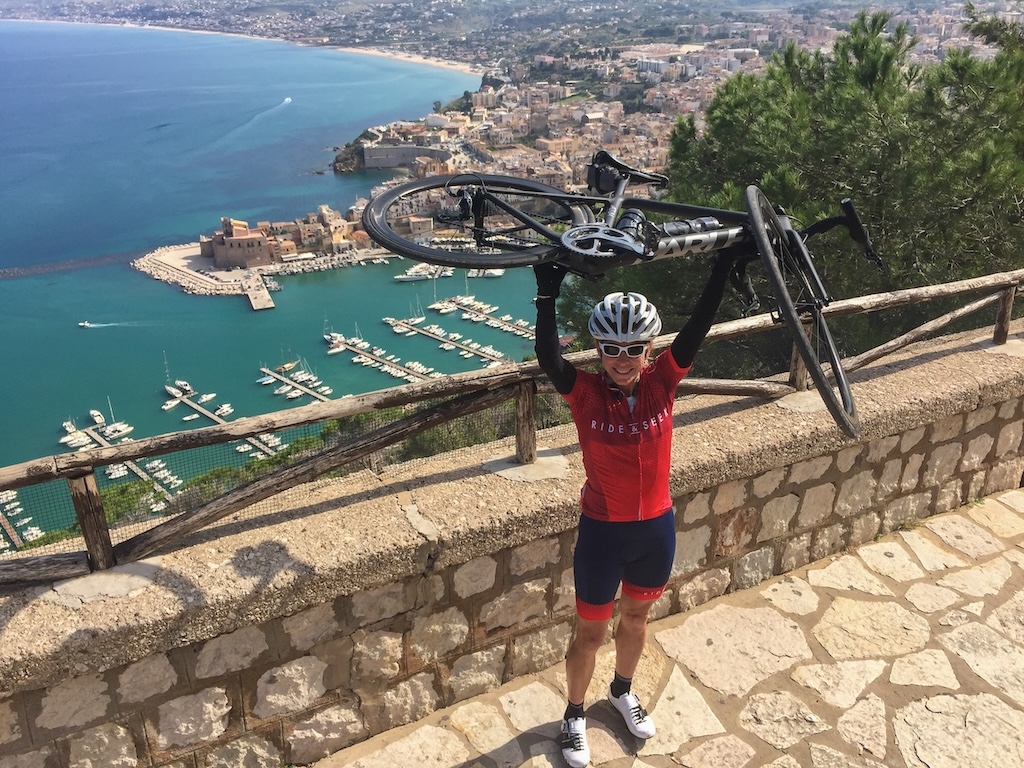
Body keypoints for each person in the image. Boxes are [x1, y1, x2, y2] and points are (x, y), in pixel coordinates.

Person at [532, 255, 735, 768]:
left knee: (639, 617)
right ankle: (574, 714)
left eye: (632, 349)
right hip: (602, 533)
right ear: (598, 349)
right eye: (610, 349)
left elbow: (698, 327)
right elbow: (549, 359)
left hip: (656, 529)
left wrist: (722, 269)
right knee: (590, 634)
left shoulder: (662, 382)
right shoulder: (584, 395)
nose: (622, 359)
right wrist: (547, 294)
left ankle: (622, 691)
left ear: (648, 349)